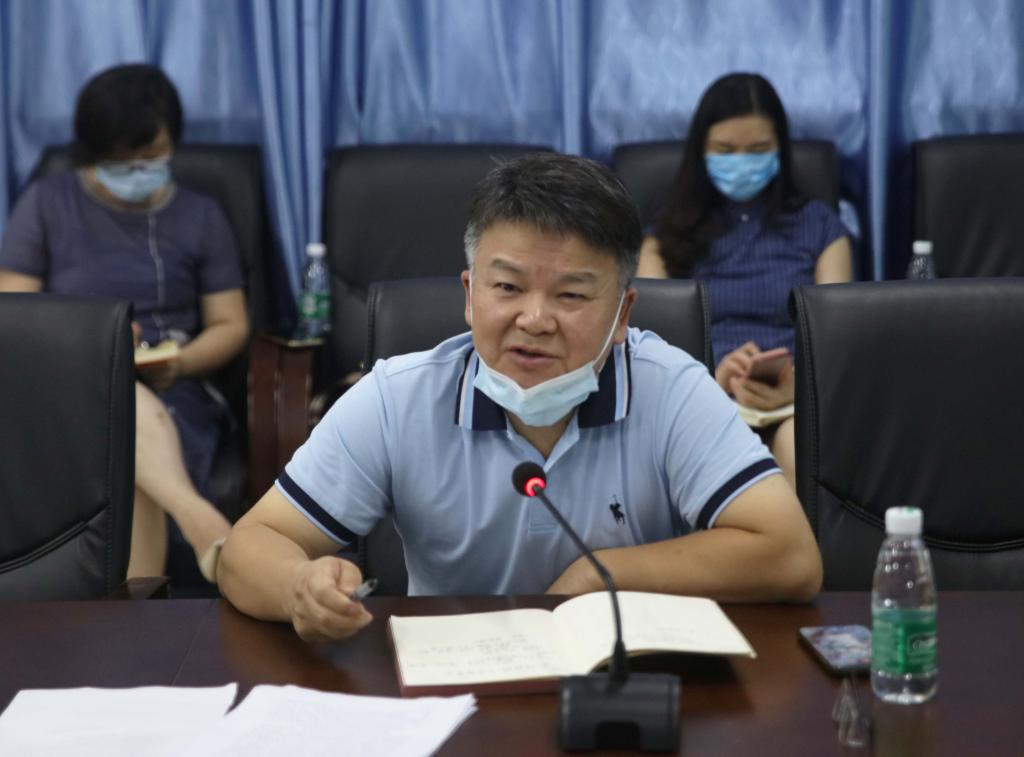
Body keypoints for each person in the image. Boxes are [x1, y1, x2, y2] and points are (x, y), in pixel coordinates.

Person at [218, 153, 822, 642]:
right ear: (469, 294)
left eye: (571, 295)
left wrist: (599, 577)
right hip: (453, 686)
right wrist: (298, 587)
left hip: (622, 685)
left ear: (622, 313)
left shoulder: (671, 388)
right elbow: (247, 548)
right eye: (507, 287)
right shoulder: (396, 399)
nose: (533, 320)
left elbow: (789, 557)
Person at [0, 64, 247, 580]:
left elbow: (230, 323)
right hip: (65, 385)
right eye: (122, 159)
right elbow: (14, 311)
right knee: (113, 399)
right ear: (93, 152)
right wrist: (94, 345)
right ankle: (199, 521)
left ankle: (133, 610)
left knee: (120, 441)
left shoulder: (201, 216)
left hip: (176, 390)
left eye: (151, 155)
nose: (138, 169)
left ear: (173, 143)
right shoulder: (46, 204)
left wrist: (178, 363)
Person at [637, 73, 853, 489]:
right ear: (700, 150)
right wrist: (711, 378)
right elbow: (651, 347)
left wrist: (800, 388)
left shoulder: (822, 229)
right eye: (725, 151)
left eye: (757, 150)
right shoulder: (662, 237)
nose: (742, 162)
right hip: (697, 398)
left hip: (795, 401)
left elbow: (837, 341)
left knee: (798, 447)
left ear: (780, 149)